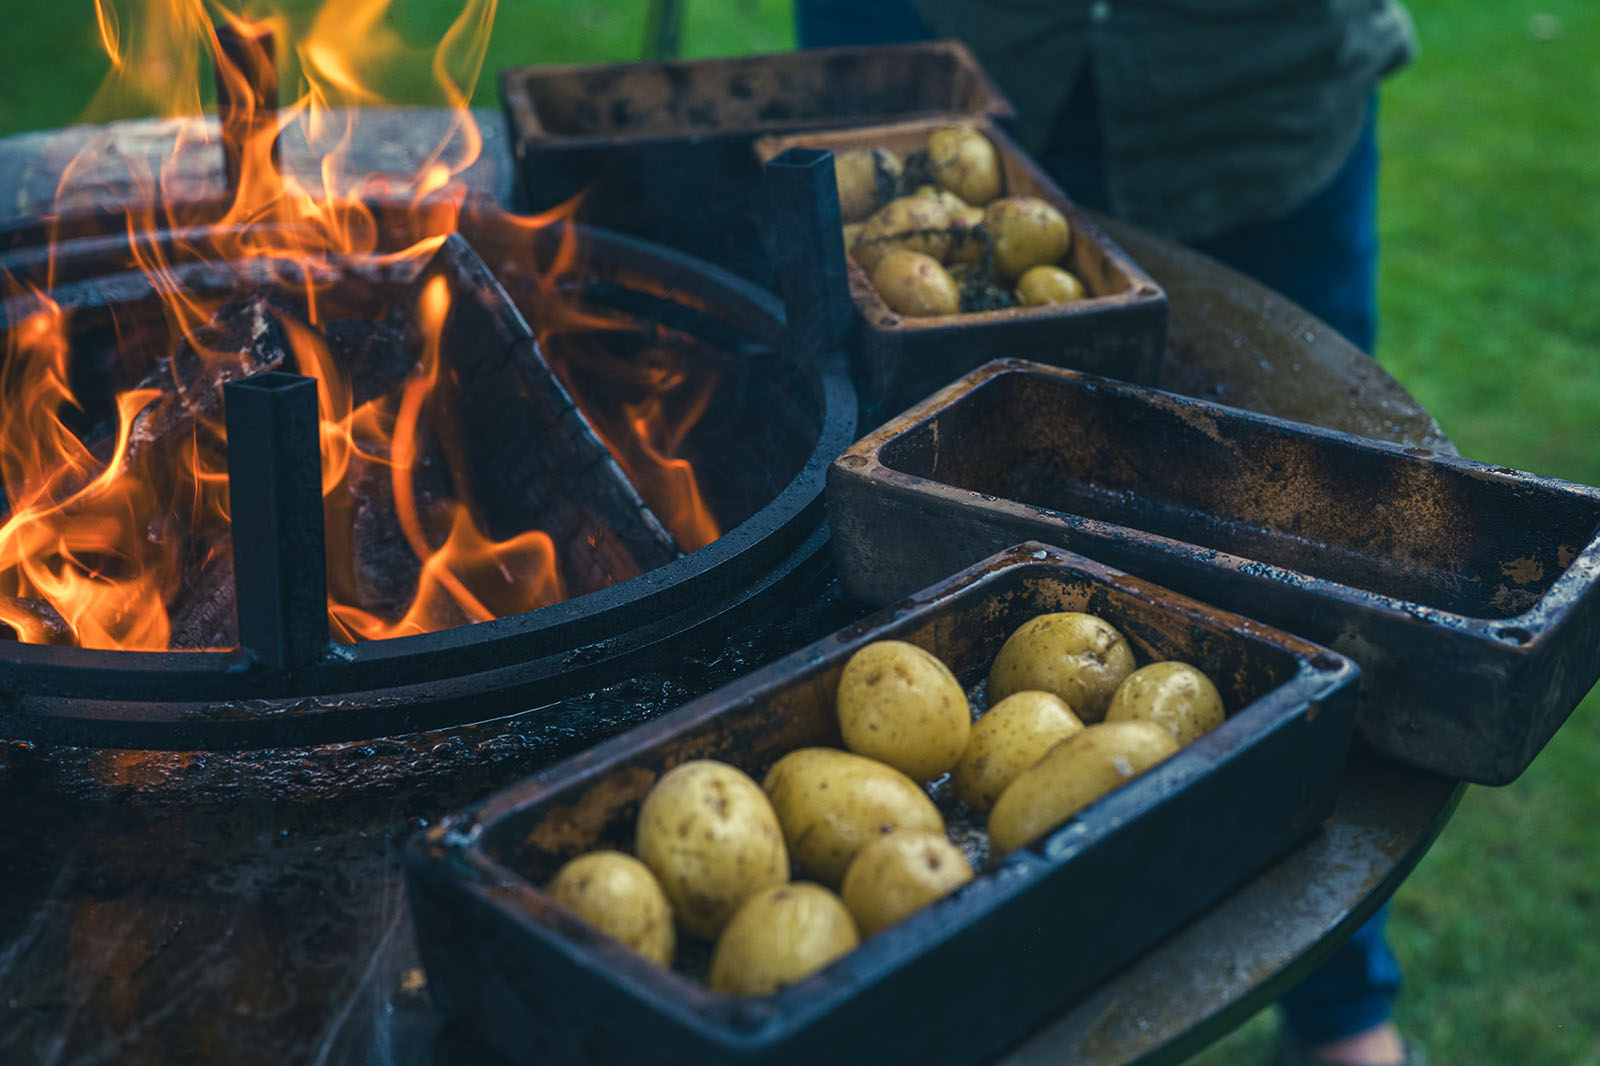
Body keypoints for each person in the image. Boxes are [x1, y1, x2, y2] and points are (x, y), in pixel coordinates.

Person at [798, 2, 1422, 1064]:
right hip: (929, 48)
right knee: (872, 520)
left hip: (1249, 88)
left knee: (1312, 561)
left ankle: (1342, 1007)